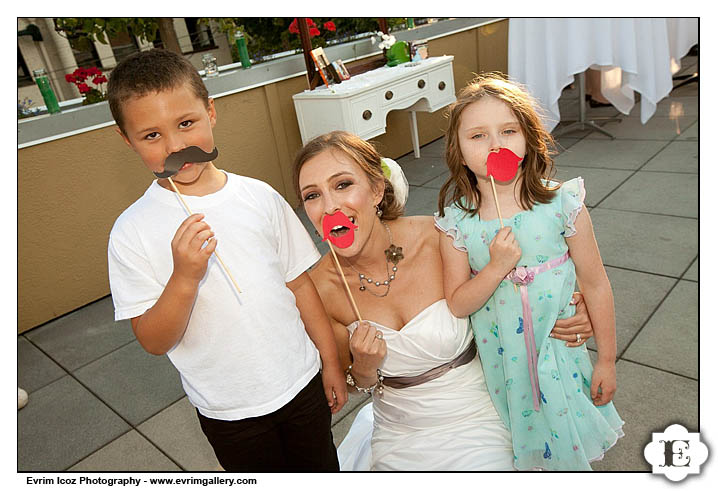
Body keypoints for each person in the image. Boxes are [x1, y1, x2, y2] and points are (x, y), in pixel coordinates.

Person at [293, 130, 595, 471]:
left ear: (377, 189)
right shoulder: (317, 290)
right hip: (399, 435)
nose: (329, 206)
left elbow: (521, 284)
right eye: (312, 195)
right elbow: (355, 381)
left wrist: (572, 308)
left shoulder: (442, 237)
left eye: (343, 184)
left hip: (481, 415)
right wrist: (363, 366)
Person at [105, 49, 347, 472]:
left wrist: (329, 360)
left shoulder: (259, 196)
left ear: (211, 112)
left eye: (186, 123)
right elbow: (154, 341)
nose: (176, 146)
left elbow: (300, 286)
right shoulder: (131, 233)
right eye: (151, 136)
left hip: (301, 382)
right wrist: (184, 278)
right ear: (127, 141)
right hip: (229, 411)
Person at [435, 73, 624, 470]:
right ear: (458, 149)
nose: (496, 144)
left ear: (528, 136)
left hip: (559, 354)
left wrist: (607, 359)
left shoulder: (562, 204)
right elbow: (457, 302)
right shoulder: (456, 223)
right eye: (478, 136)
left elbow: (595, 283)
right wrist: (497, 267)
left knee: (565, 440)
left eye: (508, 130)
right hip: (502, 362)